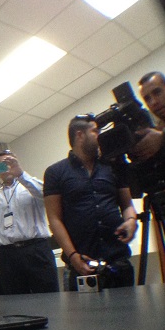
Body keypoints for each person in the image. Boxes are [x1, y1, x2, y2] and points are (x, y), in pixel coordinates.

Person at [44, 115, 138, 291]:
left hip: (118, 261)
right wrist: (73, 256)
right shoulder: (55, 172)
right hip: (81, 263)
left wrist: (131, 220)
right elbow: (54, 219)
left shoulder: (113, 166)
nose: (100, 136)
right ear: (80, 135)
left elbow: (127, 205)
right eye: (95, 131)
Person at [0, 149, 59, 295]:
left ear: (16, 163)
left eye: (9, 163)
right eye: (1, 165)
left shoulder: (30, 188)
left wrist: (21, 174)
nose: (6, 168)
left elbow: (46, 194)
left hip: (36, 249)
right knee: (15, 301)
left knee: (48, 296)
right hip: (8, 255)